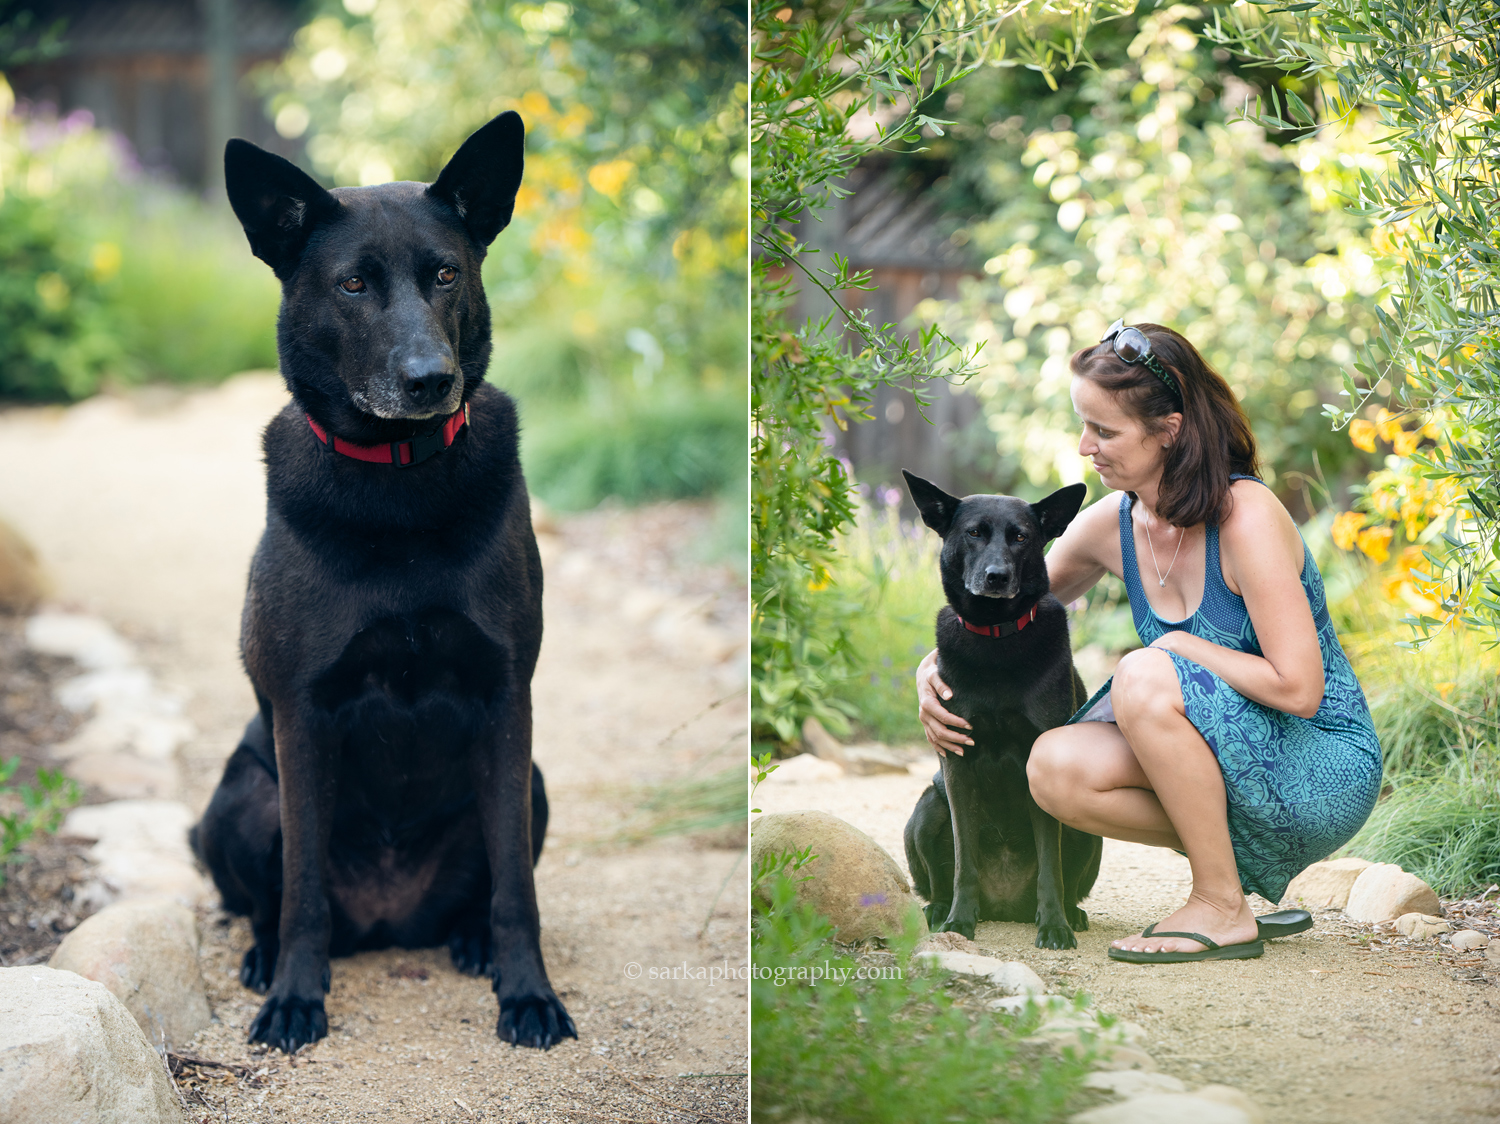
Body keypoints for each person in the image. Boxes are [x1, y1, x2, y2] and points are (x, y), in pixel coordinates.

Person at [915, 321, 1382, 962]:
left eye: (1104, 431)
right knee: (1052, 767)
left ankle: (1221, 905)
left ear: (1169, 429)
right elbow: (1001, 602)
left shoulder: (1246, 518)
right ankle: (1230, 869)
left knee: (1144, 670)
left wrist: (1176, 650)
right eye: (1084, 427)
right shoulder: (1114, 521)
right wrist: (934, 670)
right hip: (1232, 765)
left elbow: (1300, 690)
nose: (1086, 447)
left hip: (1317, 763)